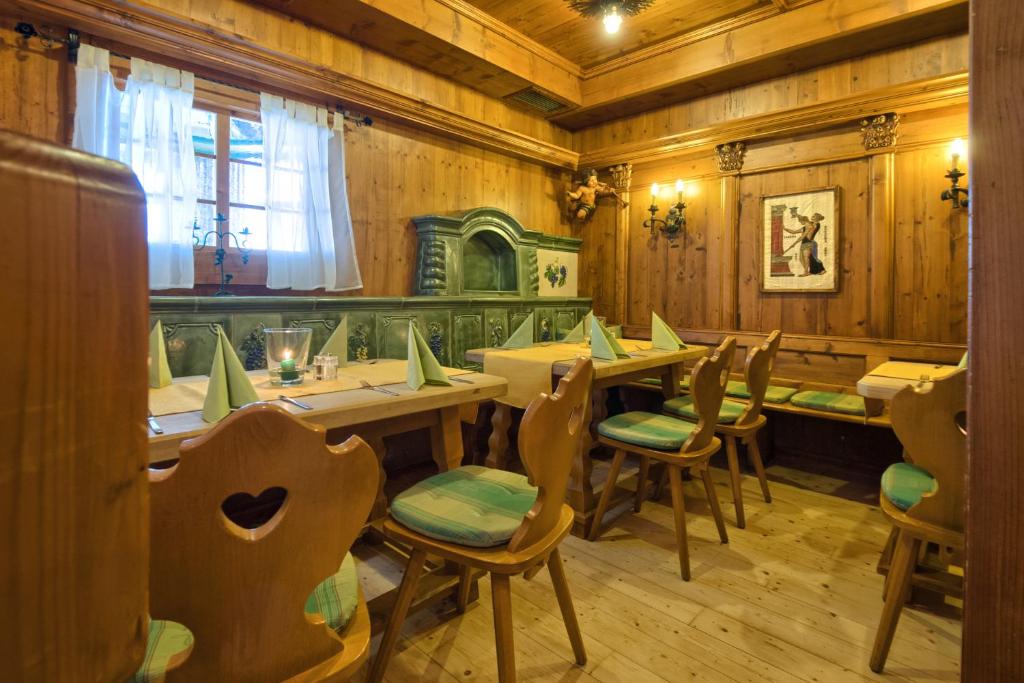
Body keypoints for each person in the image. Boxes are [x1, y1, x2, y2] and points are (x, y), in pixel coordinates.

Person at [784, 209, 826, 276]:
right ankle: (811, 270)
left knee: (807, 258)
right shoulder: (807, 226)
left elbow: (802, 236)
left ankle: (807, 272)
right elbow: (793, 232)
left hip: (808, 243)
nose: (800, 223)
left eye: (814, 216)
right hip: (804, 243)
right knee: (801, 259)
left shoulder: (813, 225)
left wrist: (794, 244)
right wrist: (785, 228)